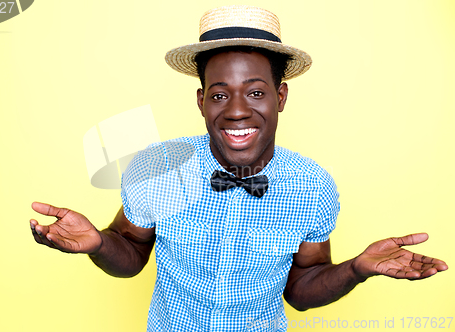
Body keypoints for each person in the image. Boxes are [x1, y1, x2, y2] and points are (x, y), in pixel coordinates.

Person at [29, 5, 448, 331]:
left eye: (256, 92)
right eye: (219, 95)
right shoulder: (157, 165)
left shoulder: (312, 186)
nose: (237, 112)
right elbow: (132, 254)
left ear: (280, 97)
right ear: (200, 101)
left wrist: (356, 269)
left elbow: (302, 289)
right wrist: (100, 244)